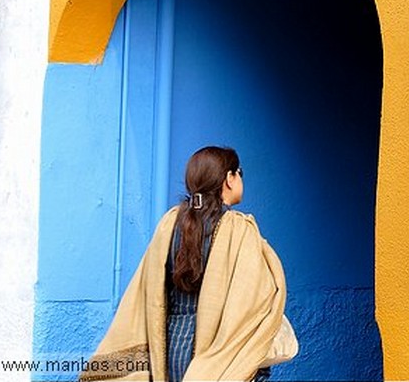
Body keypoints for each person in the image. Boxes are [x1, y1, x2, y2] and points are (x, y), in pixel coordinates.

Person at [80, 146, 292, 382]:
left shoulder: (170, 223)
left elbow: (146, 290)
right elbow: (254, 303)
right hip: (216, 355)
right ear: (229, 179)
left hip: (168, 349)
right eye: (238, 172)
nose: (240, 178)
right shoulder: (239, 229)